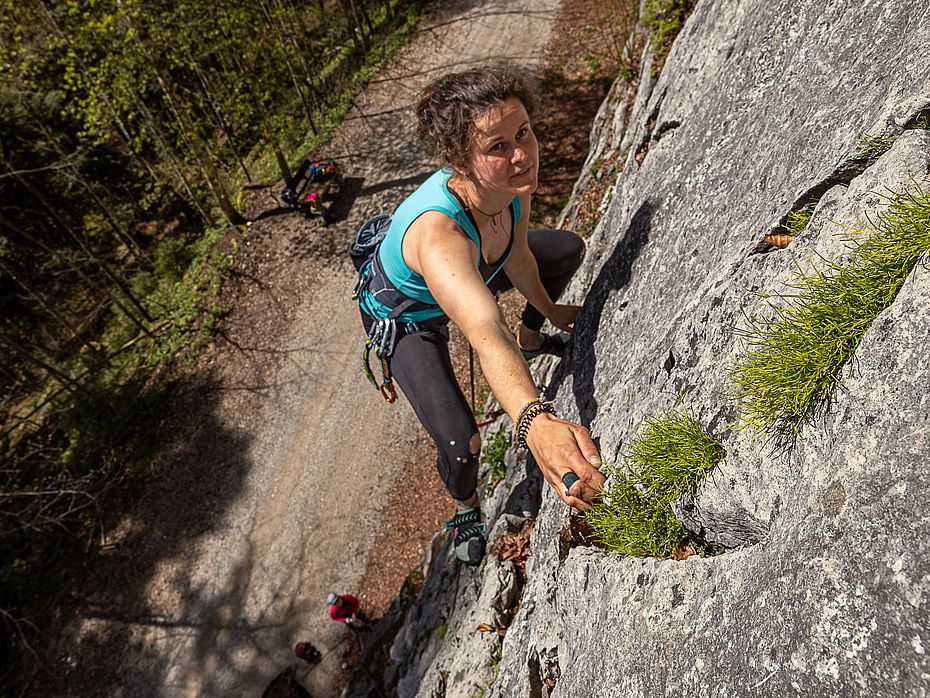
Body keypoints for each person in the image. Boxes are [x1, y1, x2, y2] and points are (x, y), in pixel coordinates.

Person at [355, 65, 606, 566]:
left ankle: (534, 340)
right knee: (461, 441)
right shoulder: (439, 235)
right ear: (461, 162)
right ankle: (465, 506)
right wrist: (536, 421)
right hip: (407, 316)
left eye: (524, 133)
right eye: (497, 147)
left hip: (476, 268)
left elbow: (517, 258)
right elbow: (485, 330)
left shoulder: (513, 185)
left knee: (564, 250)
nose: (521, 154)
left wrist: (552, 313)